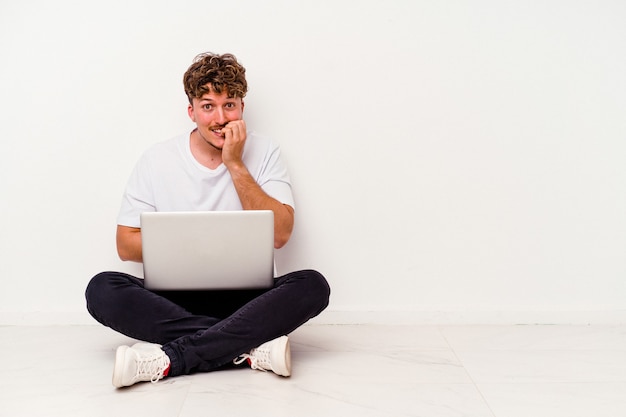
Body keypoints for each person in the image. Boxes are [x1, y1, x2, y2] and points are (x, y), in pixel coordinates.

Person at [85, 52, 331, 388]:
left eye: (229, 104)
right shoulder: (157, 159)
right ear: (191, 111)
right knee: (102, 289)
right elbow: (125, 244)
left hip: (247, 301)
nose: (220, 118)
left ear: (242, 107)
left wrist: (235, 164)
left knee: (312, 286)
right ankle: (247, 349)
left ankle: (170, 358)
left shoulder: (266, 151)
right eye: (208, 106)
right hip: (173, 300)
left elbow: (281, 234)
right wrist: (191, 246)